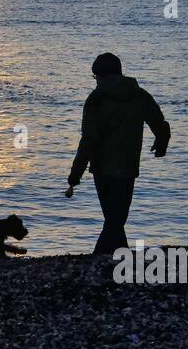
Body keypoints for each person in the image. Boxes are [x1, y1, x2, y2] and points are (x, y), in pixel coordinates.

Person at [64, 52, 170, 255]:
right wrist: (161, 143)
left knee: (113, 219)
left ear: (101, 76)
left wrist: (75, 174)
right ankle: (119, 255)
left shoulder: (97, 99)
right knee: (116, 218)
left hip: (103, 168)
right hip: (129, 165)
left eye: (96, 77)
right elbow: (160, 123)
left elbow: (88, 140)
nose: (95, 82)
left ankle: (99, 258)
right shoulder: (139, 94)